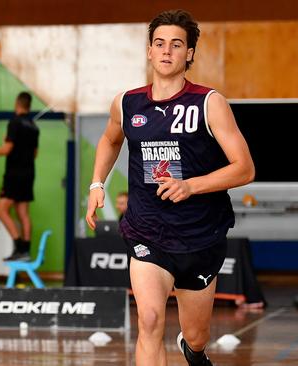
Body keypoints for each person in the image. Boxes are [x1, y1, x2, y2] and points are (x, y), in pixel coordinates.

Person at [85, 10, 254, 366]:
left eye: (176, 45)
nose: (166, 51)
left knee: (196, 334)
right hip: (148, 229)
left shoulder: (209, 103)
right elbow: (109, 140)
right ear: (149, 51)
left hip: (200, 235)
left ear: (189, 53)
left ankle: (193, 350)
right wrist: (97, 183)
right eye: (159, 44)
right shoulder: (127, 102)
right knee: (148, 321)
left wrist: (191, 186)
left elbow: (244, 168)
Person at [0, 91, 39, 261]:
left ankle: (18, 245)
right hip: (29, 173)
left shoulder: (14, 122)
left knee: (2, 209)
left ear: (17, 104)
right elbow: (35, 154)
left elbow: (7, 149)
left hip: (14, 173)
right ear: (29, 105)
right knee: (23, 212)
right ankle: (26, 250)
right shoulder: (33, 126)